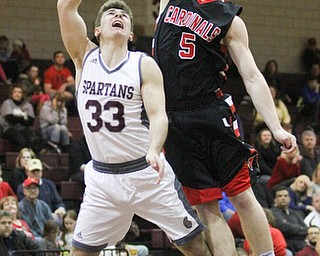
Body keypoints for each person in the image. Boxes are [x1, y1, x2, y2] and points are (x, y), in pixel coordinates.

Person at [57, 1, 211, 256]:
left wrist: (154, 149)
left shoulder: (143, 64)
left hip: (145, 171)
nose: (118, 15)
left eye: (123, 15)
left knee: (192, 245)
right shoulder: (83, 56)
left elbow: (159, 116)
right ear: (97, 30)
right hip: (102, 179)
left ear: (130, 33)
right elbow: (65, 7)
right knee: (81, 252)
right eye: (110, 13)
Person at [153, 1, 297, 255]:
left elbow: (251, 75)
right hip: (173, 117)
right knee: (205, 205)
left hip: (211, 111)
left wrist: (277, 128)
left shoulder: (230, 20)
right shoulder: (171, 1)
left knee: (242, 195)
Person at [0, 84, 41, 152]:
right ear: (11, 93)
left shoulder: (27, 105)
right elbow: (11, 119)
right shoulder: (7, 103)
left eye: (19, 92)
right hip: (8, 129)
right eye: (15, 92)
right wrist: (23, 117)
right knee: (21, 140)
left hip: (22, 128)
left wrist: (19, 118)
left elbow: (30, 121)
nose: (17, 94)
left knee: (33, 139)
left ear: (22, 94)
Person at [270, 186, 308, 254]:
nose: (283, 198)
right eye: (280, 196)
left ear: (290, 198)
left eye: (285, 196)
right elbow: (282, 227)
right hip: (285, 246)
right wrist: (299, 227)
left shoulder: (296, 213)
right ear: (275, 199)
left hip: (300, 245)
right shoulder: (272, 212)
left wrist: (291, 227)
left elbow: (306, 229)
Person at [43, 50, 77, 115]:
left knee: (74, 89)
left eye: (62, 57)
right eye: (58, 57)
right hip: (54, 94)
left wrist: (65, 85)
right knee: (62, 97)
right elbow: (47, 90)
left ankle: (79, 113)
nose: (60, 59)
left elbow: (73, 82)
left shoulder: (66, 70)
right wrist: (61, 92)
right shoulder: (49, 72)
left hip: (65, 93)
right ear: (54, 59)